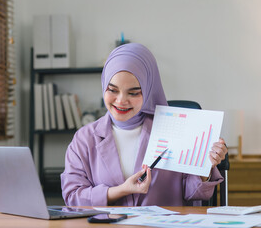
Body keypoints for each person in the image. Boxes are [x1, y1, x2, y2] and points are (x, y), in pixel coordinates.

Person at [60, 43, 227, 206]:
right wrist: (121, 190)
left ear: (148, 91)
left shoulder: (174, 131)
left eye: (133, 93)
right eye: (112, 90)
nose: (121, 101)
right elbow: (73, 197)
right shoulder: (84, 138)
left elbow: (195, 194)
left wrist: (205, 165)